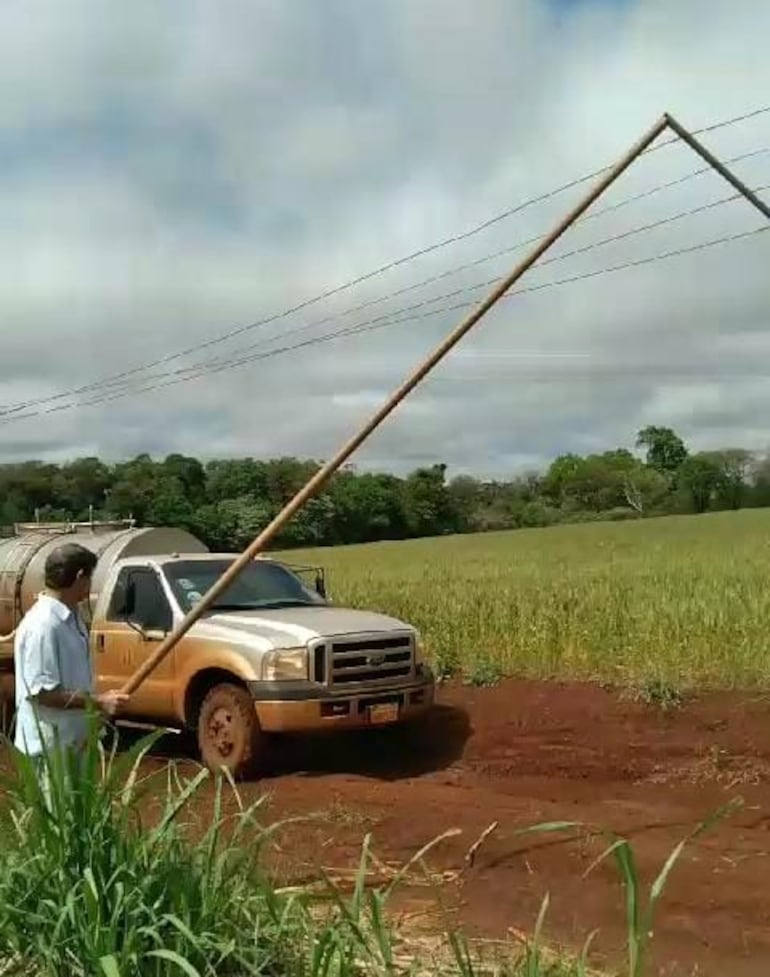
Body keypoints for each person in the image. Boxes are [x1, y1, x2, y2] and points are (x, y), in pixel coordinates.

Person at [13, 541, 128, 776]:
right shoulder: (44, 625)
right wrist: (99, 701)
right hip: (50, 752)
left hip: (73, 745)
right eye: (90, 578)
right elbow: (42, 694)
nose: (90, 585)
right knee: (56, 813)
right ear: (79, 576)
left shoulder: (73, 617)